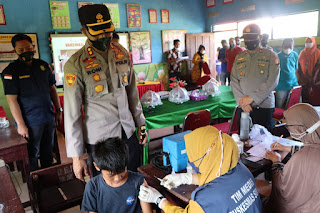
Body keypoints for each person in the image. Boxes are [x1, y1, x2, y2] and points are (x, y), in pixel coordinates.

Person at [63, 4, 147, 180]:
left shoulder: (122, 54)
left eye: (107, 31)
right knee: (108, 188)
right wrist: (76, 157)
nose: (104, 37)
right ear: (84, 31)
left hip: (128, 132)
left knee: (134, 181)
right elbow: (72, 114)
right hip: (101, 140)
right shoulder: (76, 64)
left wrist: (141, 124)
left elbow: (132, 96)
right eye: (98, 32)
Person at [139, 126, 262, 212]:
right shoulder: (241, 169)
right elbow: (218, 179)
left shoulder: (205, 199)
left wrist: (159, 200)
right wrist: (185, 178)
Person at [1, 33, 62, 171]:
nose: (25, 52)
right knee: (32, 155)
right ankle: (36, 185)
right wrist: (21, 125)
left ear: (33, 47)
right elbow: (12, 101)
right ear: (14, 51)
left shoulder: (43, 66)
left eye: (28, 48)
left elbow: (52, 89)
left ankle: (49, 181)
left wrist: (58, 110)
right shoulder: (10, 72)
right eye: (21, 50)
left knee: (48, 151)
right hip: (30, 122)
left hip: (48, 117)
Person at [264, 103, 320, 213]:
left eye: (288, 126)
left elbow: (282, 185)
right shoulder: (315, 138)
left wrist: (276, 161)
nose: (288, 129)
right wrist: (285, 147)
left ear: (299, 128)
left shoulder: (301, 159)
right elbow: (312, 147)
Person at [81, 138, 152, 213]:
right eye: (111, 175)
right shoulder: (93, 186)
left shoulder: (139, 182)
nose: (117, 178)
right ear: (97, 166)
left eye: (122, 171)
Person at [231, 24, 280, 132]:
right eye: (247, 38)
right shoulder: (240, 57)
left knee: (264, 142)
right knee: (244, 140)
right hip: (243, 107)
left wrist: (252, 98)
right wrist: (242, 103)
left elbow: (272, 81)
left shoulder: (271, 56)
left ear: (260, 37)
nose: (249, 41)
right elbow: (234, 81)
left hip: (264, 108)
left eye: (252, 38)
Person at [275, 38, 299, 108]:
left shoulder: (295, 55)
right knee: (280, 105)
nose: (288, 48)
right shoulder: (277, 57)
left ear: (293, 46)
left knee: (295, 105)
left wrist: (296, 84)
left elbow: (296, 70)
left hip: (293, 84)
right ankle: (280, 119)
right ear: (282, 46)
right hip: (281, 85)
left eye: (290, 46)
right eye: (286, 46)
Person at [297, 37, 320, 103]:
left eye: (310, 42)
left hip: (315, 81)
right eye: (307, 42)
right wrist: (301, 78)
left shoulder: (318, 53)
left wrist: (314, 79)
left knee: (314, 99)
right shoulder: (302, 53)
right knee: (305, 99)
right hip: (304, 80)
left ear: (314, 42)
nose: (308, 43)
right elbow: (299, 66)